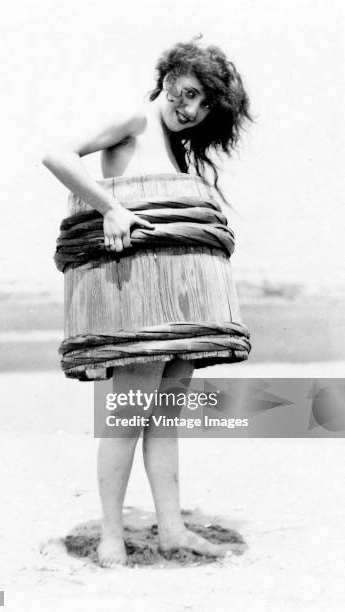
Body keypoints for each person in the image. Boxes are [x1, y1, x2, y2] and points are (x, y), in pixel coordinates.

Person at [43, 38, 252, 567]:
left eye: (203, 103)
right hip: (134, 291)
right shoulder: (136, 119)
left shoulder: (174, 144)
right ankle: (113, 535)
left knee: (164, 419)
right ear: (167, 78)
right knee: (127, 415)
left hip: (177, 296)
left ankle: (173, 530)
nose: (190, 110)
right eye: (185, 94)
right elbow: (56, 154)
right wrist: (109, 207)